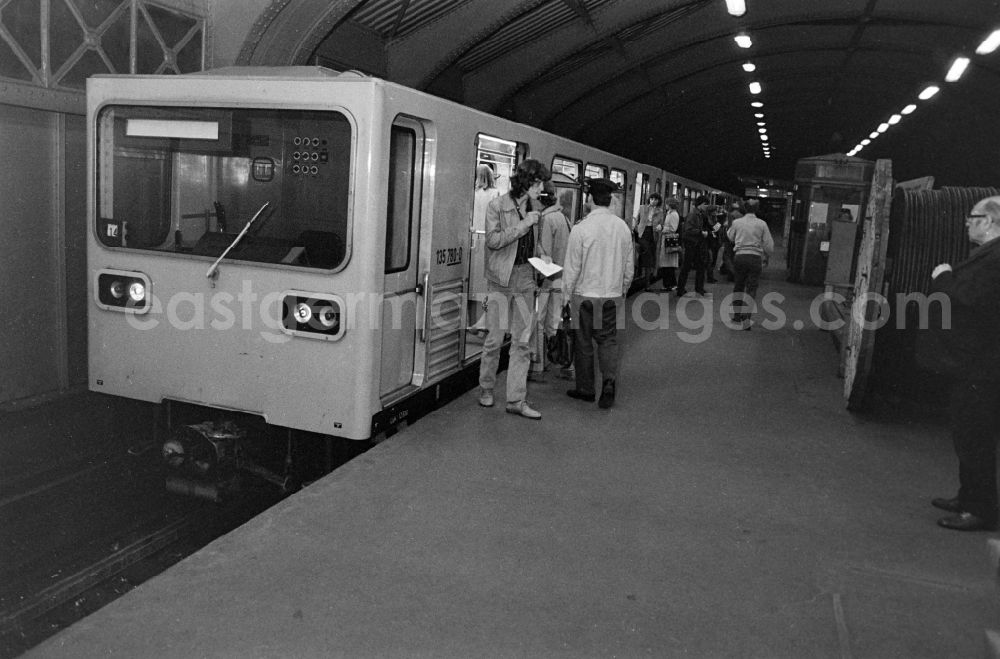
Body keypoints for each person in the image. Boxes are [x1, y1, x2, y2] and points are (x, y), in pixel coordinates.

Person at [927, 196, 1000, 531]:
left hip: (983, 366)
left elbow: (970, 299)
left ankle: (980, 509)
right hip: (976, 363)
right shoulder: (987, 254)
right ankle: (967, 496)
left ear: (989, 220)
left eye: (972, 217)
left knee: (976, 438)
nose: (967, 223)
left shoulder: (995, 257)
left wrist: (943, 277)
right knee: (967, 433)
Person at [478, 159, 550, 420]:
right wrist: (524, 225)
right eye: (538, 182)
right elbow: (494, 241)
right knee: (494, 339)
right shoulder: (496, 206)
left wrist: (544, 256)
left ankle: (516, 400)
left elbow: (535, 244)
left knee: (522, 341)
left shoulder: (536, 208)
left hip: (526, 278)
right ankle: (486, 388)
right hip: (499, 280)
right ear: (526, 182)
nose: (541, 187)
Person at [562, 178, 634, 409]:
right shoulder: (623, 227)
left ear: (590, 199)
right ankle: (609, 382)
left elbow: (572, 268)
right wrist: (622, 289)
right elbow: (629, 266)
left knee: (583, 341)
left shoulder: (581, 228)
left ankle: (585, 389)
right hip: (611, 295)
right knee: (608, 340)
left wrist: (565, 296)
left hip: (584, 295)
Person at [529, 180, 573, 383]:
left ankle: (538, 366)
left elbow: (544, 256)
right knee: (556, 322)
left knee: (538, 322)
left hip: (548, 280)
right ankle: (564, 363)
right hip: (561, 279)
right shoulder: (563, 218)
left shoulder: (546, 220)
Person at [727, 199, 774, 329]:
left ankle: (736, 316)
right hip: (755, 258)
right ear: (757, 209)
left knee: (739, 286)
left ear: (745, 209)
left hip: (740, 257)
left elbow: (730, 237)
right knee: (751, 288)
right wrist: (766, 256)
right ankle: (747, 318)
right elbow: (769, 245)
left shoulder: (737, 222)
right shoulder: (762, 224)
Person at [469, 164, 500, 333]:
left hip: (474, 243)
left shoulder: (472, 194)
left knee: (474, 285)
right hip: (489, 243)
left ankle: (475, 322)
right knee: (487, 285)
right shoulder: (495, 194)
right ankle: (483, 325)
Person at [675, 195, 714, 298]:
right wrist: (701, 233)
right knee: (687, 267)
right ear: (700, 204)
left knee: (699, 267)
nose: (706, 207)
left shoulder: (699, 214)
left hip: (696, 244)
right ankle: (681, 289)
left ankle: (698, 288)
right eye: (705, 204)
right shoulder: (693, 214)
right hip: (691, 244)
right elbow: (688, 230)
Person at [633, 193, 664, 289]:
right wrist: (637, 229)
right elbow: (637, 220)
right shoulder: (643, 208)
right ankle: (646, 282)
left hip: (653, 234)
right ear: (649, 199)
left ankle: (647, 283)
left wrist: (660, 227)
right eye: (652, 199)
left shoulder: (660, 211)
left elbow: (661, 223)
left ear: (659, 201)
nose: (653, 201)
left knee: (649, 258)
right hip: (642, 233)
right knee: (647, 254)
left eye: (655, 199)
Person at [654, 196, 682, 291]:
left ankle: (668, 285)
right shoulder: (670, 213)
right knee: (667, 265)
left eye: (666, 203)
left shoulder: (674, 214)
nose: (665, 205)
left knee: (668, 265)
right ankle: (670, 284)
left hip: (668, 242)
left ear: (670, 204)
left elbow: (673, 228)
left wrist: (662, 229)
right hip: (666, 241)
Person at [719, 201, 744, 282]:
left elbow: (729, 226)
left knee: (728, 256)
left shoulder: (730, 215)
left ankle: (732, 274)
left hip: (730, 238)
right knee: (734, 256)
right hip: (739, 238)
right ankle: (732, 273)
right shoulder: (742, 215)